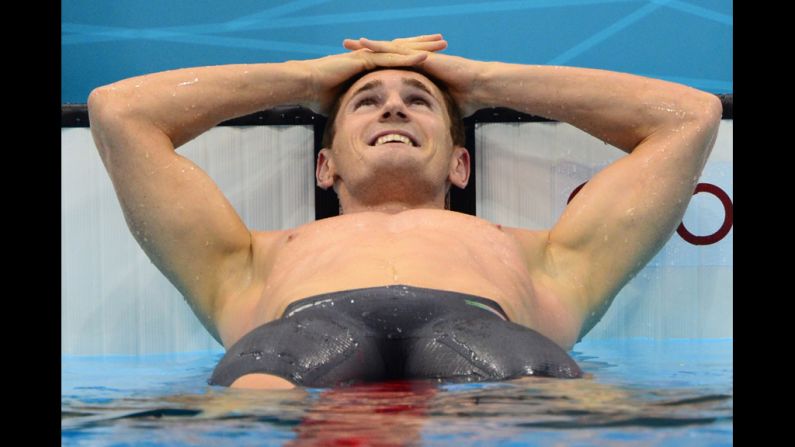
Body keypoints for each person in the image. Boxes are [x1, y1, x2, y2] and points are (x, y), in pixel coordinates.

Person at [87, 34, 722, 390]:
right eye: (367, 102)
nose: (393, 109)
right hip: (297, 334)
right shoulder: (249, 259)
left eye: (418, 100)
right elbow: (121, 112)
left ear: (460, 165)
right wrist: (310, 80)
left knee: (555, 406)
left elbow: (687, 118)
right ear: (324, 166)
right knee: (252, 401)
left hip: (485, 327)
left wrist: (479, 82)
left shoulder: (545, 256)